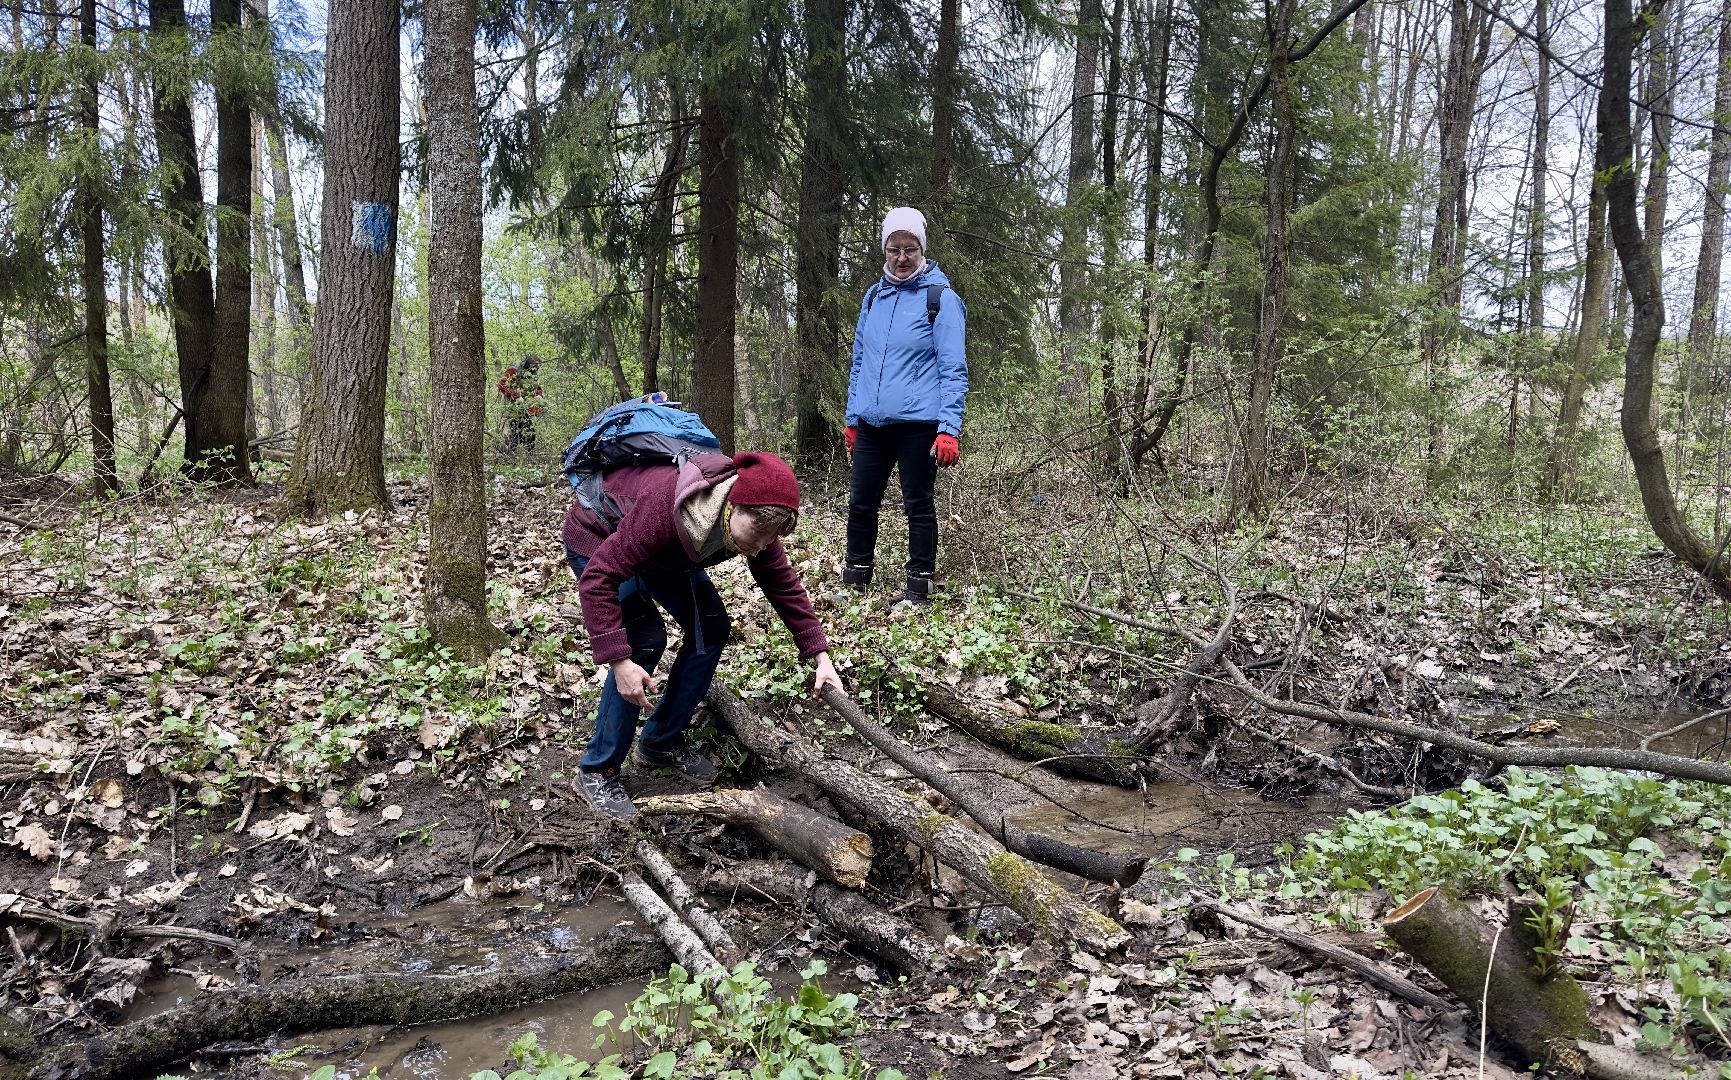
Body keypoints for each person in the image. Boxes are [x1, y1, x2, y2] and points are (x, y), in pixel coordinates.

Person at [563, 448, 842, 819]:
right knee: (644, 638)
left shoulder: (755, 524)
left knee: (711, 626)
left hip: (664, 553)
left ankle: (660, 740)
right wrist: (618, 660)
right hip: (600, 537)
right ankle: (598, 769)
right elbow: (599, 579)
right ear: (732, 504)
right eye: (758, 531)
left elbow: (785, 588)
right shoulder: (669, 509)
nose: (761, 544)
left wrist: (821, 656)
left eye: (771, 536)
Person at [843, 206, 968, 605]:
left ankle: (919, 587)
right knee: (862, 502)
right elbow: (859, 361)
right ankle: (856, 580)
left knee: (918, 504)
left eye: (910, 249)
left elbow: (953, 368)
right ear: (884, 251)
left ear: (922, 251)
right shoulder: (873, 297)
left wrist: (949, 428)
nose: (901, 257)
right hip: (873, 424)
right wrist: (853, 417)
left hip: (918, 425)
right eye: (894, 248)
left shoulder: (941, 300)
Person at [498, 355, 544, 451]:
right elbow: (502, 385)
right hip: (514, 409)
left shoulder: (532, 374)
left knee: (530, 432)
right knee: (517, 433)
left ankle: (528, 456)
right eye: (535, 366)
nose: (537, 368)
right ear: (529, 364)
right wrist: (516, 396)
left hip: (527, 408)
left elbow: (537, 387)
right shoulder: (514, 371)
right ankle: (506, 454)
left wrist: (539, 395)